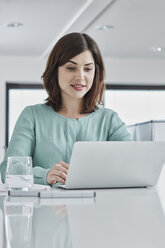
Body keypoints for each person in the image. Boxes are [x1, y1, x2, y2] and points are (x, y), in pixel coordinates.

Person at [0, 32, 131, 186]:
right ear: (55, 70)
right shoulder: (32, 116)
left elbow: (131, 165)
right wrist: (45, 174)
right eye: (71, 68)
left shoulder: (109, 120)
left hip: (96, 208)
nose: (80, 77)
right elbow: (8, 170)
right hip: (45, 208)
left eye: (88, 69)